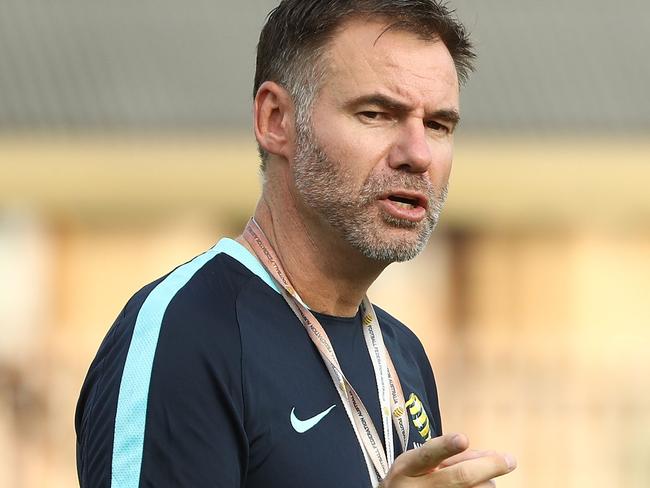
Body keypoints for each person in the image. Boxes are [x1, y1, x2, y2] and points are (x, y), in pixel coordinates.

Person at [75, 1, 517, 487]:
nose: (417, 153)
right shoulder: (186, 332)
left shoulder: (401, 355)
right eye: (376, 113)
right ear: (276, 119)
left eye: (437, 125)